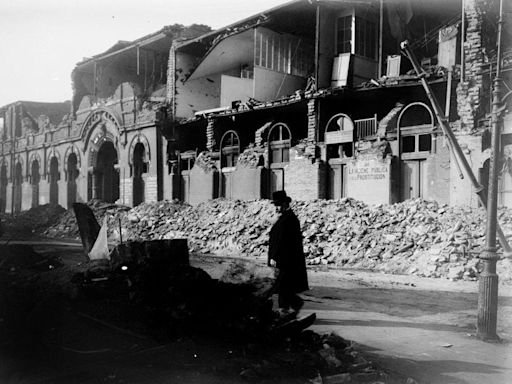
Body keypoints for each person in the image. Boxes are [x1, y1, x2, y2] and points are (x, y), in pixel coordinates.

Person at [268, 190, 309, 313]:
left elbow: (282, 241)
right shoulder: (284, 218)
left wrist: (274, 257)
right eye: (275, 205)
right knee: (283, 285)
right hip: (284, 259)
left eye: (278, 205)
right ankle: (292, 304)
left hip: (285, 259)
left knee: (283, 285)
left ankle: (286, 308)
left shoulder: (289, 219)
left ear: (286, 204)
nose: (276, 208)